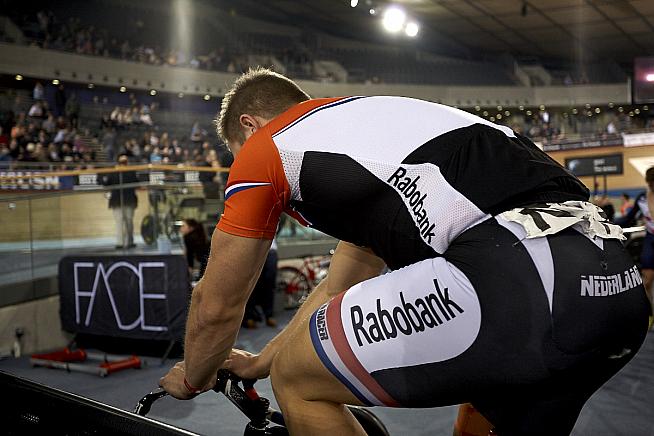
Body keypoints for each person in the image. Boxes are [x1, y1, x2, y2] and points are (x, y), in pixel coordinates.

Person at [160, 68, 650, 436]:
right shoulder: (370, 131)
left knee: (297, 379)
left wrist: (197, 373)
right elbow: (338, 290)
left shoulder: (267, 147)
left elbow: (217, 305)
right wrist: (260, 360)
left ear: (250, 126)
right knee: (489, 404)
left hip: (521, 272)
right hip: (614, 282)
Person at [614, 168, 654, 326]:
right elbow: (629, 219)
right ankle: (650, 314)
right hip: (651, 241)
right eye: (651, 183)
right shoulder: (643, 198)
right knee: (646, 282)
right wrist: (609, 222)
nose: (652, 185)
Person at [101, 154, 138, 249]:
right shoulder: (114, 172)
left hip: (129, 200)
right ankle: (120, 242)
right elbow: (107, 183)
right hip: (117, 201)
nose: (123, 164)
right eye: (121, 162)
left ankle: (130, 241)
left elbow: (136, 183)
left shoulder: (131, 171)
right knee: (119, 222)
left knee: (129, 221)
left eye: (124, 162)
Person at [242, 237, 278, 329]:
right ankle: (250, 316)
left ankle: (269, 315)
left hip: (271, 249)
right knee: (251, 282)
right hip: (250, 249)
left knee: (270, 283)